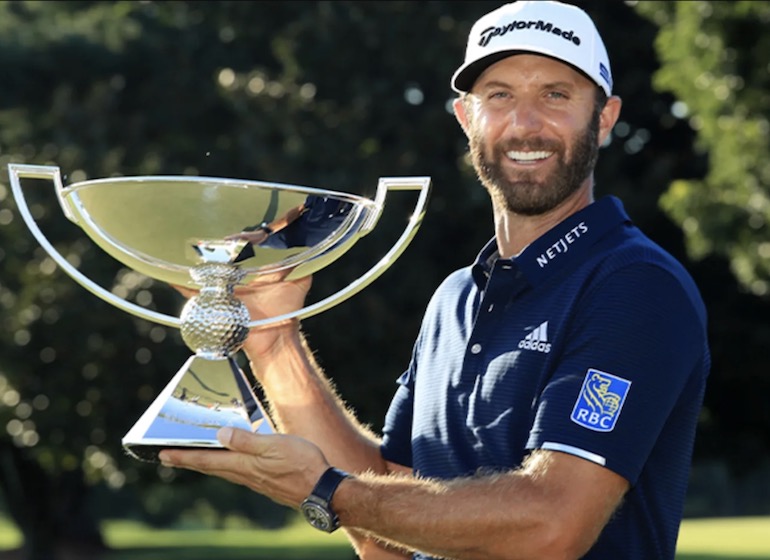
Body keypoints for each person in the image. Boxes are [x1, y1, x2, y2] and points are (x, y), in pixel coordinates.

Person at [159, 1, 710, 558]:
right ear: (467, 118)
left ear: (606, 117)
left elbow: (551, 526)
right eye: (499, 95)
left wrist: (327, 490)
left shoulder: (636, 285)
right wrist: (275, 344)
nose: (524, 123)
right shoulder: (456, 298)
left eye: (556, 94)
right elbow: (388, 534)